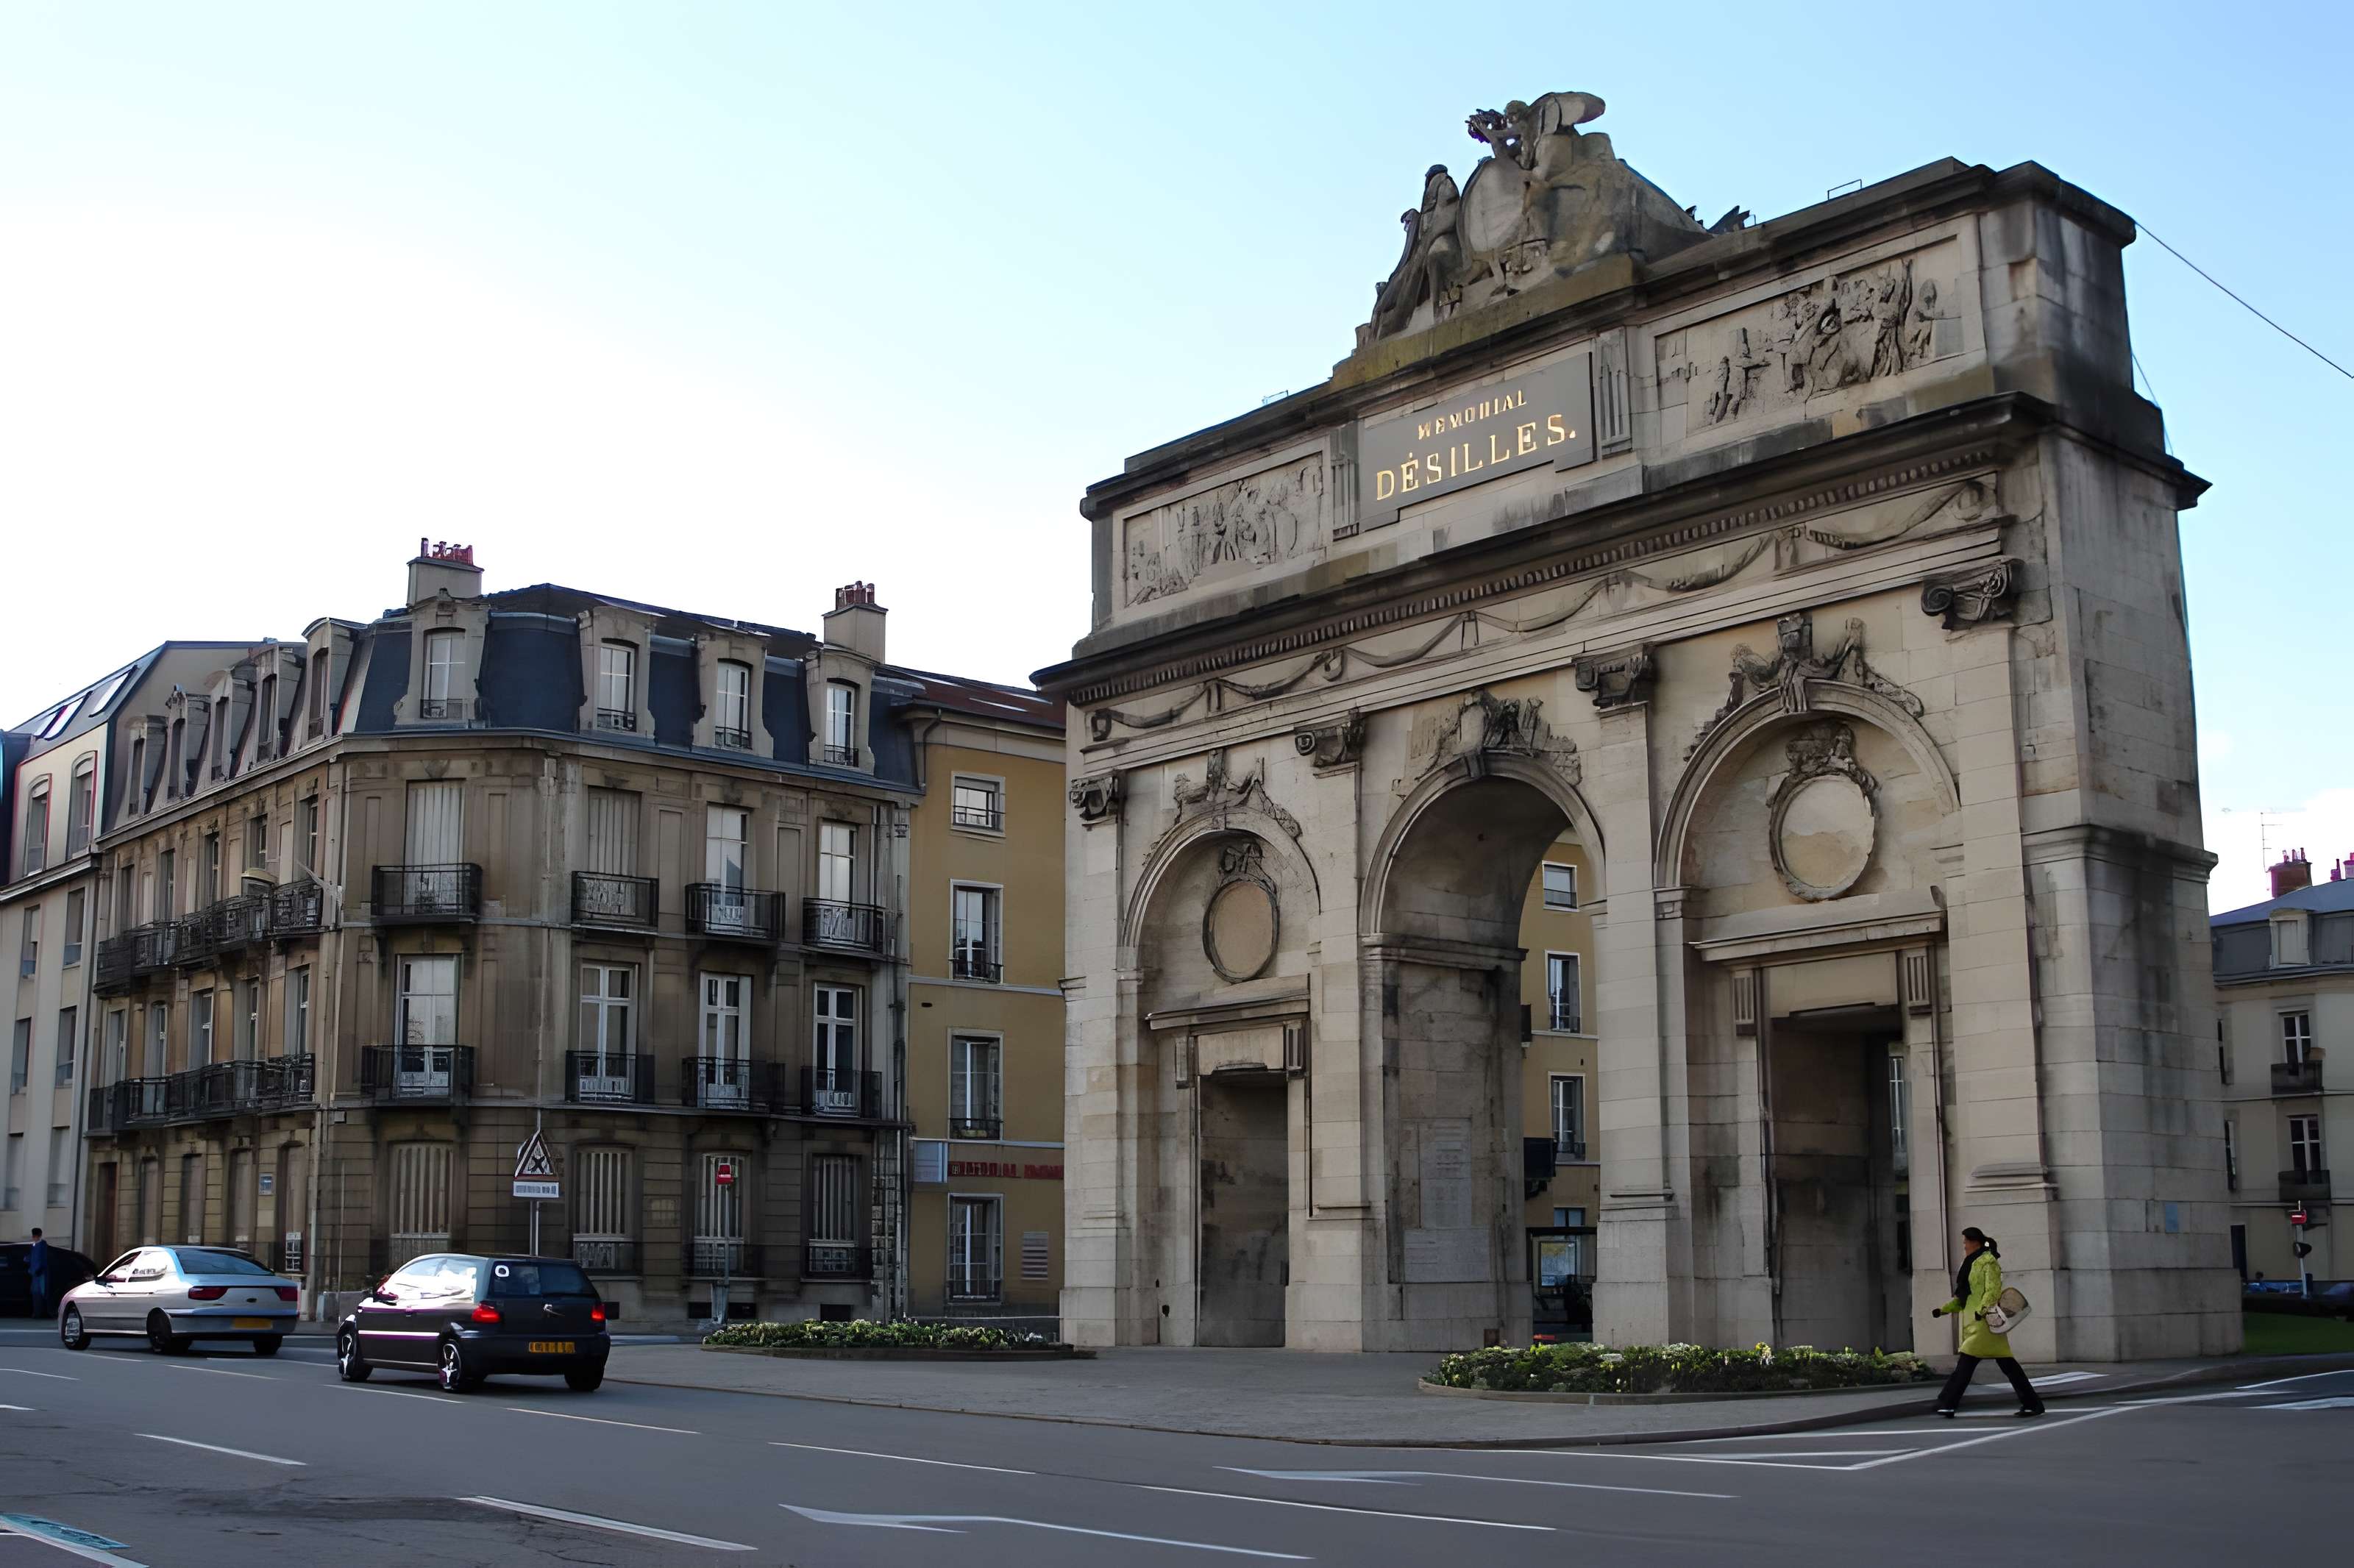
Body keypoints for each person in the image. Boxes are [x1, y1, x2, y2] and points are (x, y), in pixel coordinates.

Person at [1931, 1226, 2043, 1417]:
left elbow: (1992, 1290)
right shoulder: (1970, 1263)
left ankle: (1947, 1403)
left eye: (1966, 1241)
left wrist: (1982, 1311)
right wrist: (1944, 1310)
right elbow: (1965, 1296)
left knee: (1966, 1364)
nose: (1964, 1245)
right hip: (1976, 1321)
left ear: (1975, 1242)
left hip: (1983, 1323)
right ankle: (2032, 1404)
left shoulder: (1988, 1262)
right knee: (2007, 1365)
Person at [26, 1227, 49, 1320]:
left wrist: (40, 1269)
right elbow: (32, 1257)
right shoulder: (34, 1246)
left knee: (40, 1293)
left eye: (35, 1236)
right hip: (35, 1273)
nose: (34, 1238)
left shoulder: (42, 1245)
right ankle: (37, 1312)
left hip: (40, 1273)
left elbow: (43, 1259)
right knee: (35, 1293)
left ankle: (40, 1313)